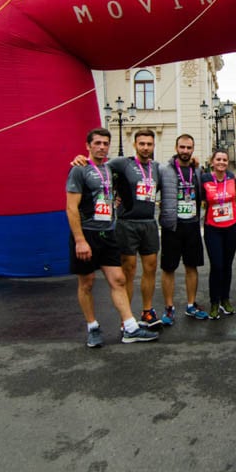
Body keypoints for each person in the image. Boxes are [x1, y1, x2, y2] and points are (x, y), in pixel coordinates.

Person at [65, 128, 157, 346]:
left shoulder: (110, 169)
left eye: (105, 143)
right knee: (87, 283)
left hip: (108, 233)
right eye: (97, 143)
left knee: (119, 280)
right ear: (88, 146)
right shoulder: (79, 170)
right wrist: (79, 240)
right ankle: (93, 327)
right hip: (87, 233)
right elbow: (71, 208)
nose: (101, 147)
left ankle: (130, 327)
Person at [108, 129, 165, 329]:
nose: (146, 148)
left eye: (149, 144)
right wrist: (82, 161)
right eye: (142, 144)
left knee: (150, 269)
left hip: (149, 222)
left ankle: (147, 311)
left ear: (153, 145)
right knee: (129, 271)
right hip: (127, 224)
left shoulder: (157, 168)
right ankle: (128, 318)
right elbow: (100, 171)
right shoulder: (122, 164)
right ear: (135, 145)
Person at [158, 134, 208, 323]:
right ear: (176, 147)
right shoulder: (164, 169)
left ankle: (190, 305)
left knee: (191, 266)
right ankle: (169, 308)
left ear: (193, 149)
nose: (185, 151)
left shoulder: (197, 170)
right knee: (168, 268)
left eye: (189, 148)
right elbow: (147, 188)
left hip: (192, 225)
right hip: (172, 226)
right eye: (182, 147)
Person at [200, 149, 236, 319]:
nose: (222, 162)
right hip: (213, 228)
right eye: (218, 159)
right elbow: (201, 200)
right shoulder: (205, 179)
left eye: (224, 159)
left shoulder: (232, 178)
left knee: (228, 265)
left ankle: (225, 299)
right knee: (217, 266)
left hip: (231, 227)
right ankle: (214, 302)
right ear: (212, 162)